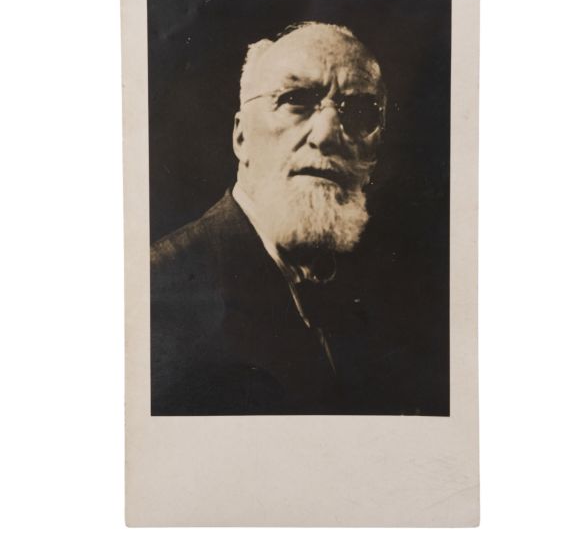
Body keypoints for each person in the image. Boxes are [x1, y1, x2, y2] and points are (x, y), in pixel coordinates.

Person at [150, 22, 442, 415]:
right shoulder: (158, 293)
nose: (328, 134)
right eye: (296, 100)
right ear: (241, 137)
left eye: (360, 112)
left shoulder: (397, 304)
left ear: (373, 156)